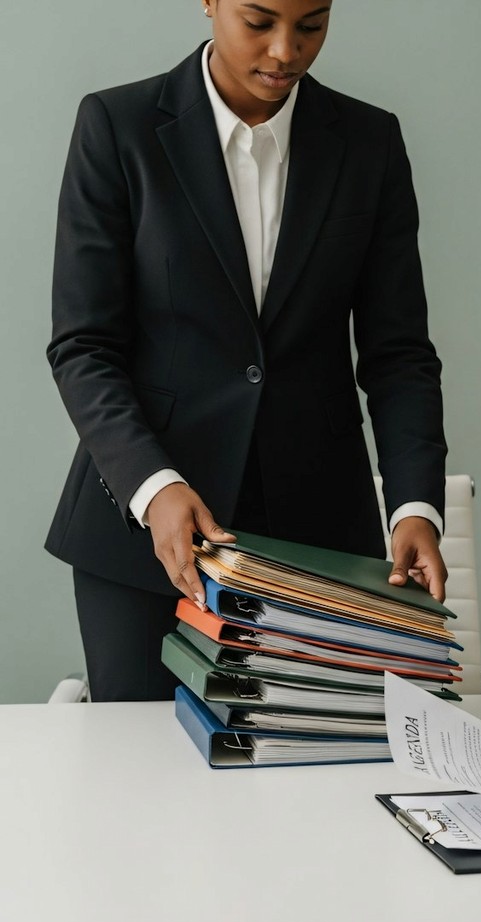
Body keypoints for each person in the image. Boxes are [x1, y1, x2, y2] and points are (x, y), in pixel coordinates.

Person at [46, 0, 448, 700]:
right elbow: (84, 345)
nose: (286, 50)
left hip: (319, 534)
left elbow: (398, 353)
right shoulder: (119, 128)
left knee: (315, 773)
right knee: (144, 774)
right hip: (148, 536)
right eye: (259, 21)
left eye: (312, 24)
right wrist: (155, 487)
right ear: (209, 2)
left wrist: (414, 504)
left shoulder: (368, 141)